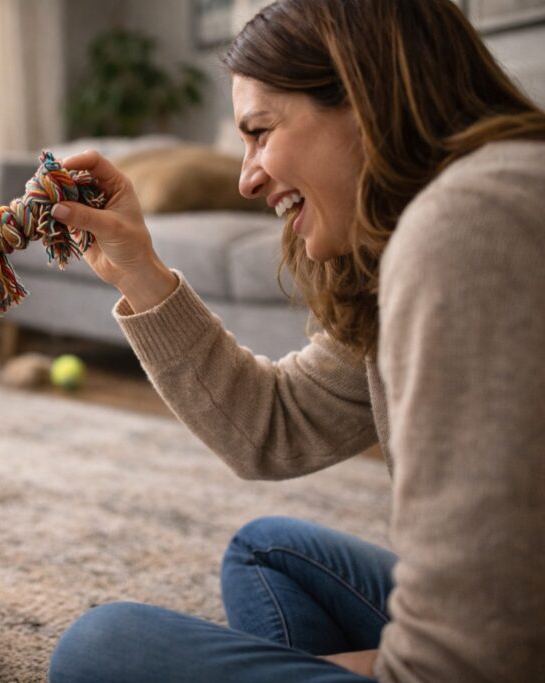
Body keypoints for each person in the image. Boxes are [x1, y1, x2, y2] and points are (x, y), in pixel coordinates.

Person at [46, 1, 545, 681]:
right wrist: (138, 266)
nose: (246, 176)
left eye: (259, 131)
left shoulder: (467, 223)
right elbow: (272, 426)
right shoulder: (442, 214)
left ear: (364, 93)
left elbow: (466, 663)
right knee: (268, 550)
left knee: (103, 647)